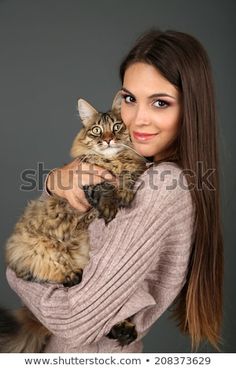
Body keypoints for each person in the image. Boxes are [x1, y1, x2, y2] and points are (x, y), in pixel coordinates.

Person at [6, 29, 223, 353]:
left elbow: (75, 320)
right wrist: (55, 184)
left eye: (160, 103)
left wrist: (18, 274)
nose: (137, 119)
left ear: (190, 109)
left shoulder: (163, 187)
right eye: (129, 98)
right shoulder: (141, 169)